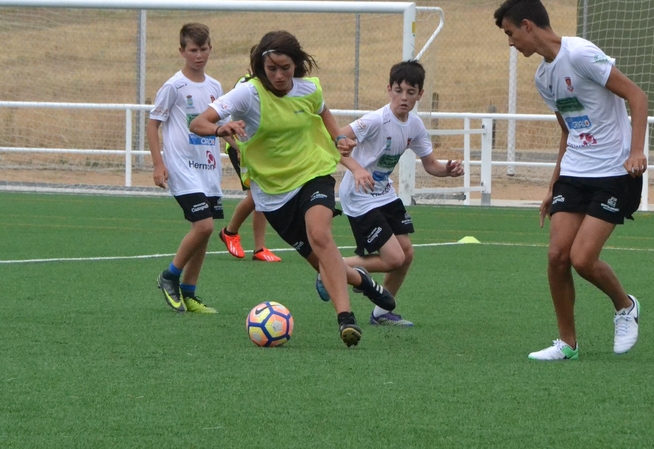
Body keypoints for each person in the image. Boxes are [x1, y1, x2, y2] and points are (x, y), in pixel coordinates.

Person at [188, 30, 396, 347]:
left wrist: (340, 139)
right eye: (271, 69)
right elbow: (197, 123)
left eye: (285, 68)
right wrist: (220, 128)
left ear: (296, 64)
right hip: (273, 195)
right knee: (324, 263)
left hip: (314, 172)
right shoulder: (248, 94)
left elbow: (324, 113)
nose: (279, 75)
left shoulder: (308, 88)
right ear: (261, 67)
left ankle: (345, 319)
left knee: (320, 235)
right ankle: (362, 281)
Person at [494, 0, 647, 360]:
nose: (511, 42)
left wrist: (636, 152)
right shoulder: (543, 77)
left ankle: (625, 306)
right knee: (557, 256)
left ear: (528, 26)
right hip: (575, 171)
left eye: (511, 33)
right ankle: (567, 343)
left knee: (583, 259)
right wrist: (553, 185)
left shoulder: (580, 54)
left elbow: (637, 96)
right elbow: (568, 131)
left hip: (613, 172)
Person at [314, 60, 464, 328]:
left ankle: (381, 313)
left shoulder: (415, 125)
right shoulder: (375, 121)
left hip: (384, 193)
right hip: (359, 196)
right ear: (389, 90)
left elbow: (431, 164)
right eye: (398, 90)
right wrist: (357, 168)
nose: (403, 97)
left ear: (420, 94)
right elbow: (332, 142)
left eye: (410, 92)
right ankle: (333, 266)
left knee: (406, 254)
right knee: (394, 258)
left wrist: (447, 170)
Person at [147, 22, 224, 314]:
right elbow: (153, 125)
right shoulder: (174, 86)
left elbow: (219, 126)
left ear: (210, 49)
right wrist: (158, 164)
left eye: (203, 49)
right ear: (182, 51)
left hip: (209, 169)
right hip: (182, 167)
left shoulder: (215, 86)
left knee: (204, 231)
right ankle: (169, 276)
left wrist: (239, 149)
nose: (199, 55)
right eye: (193, 50)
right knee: (204, 225)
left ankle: (189, 292)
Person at [219, 71, 281, 263]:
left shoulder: (276, 84)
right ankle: (230, 232)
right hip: (243, 148)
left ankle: (259, 248)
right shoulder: (246, 85)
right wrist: (239, 147)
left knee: (262, 195)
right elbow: (226, 119)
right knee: (256, 195)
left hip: (261, 149)